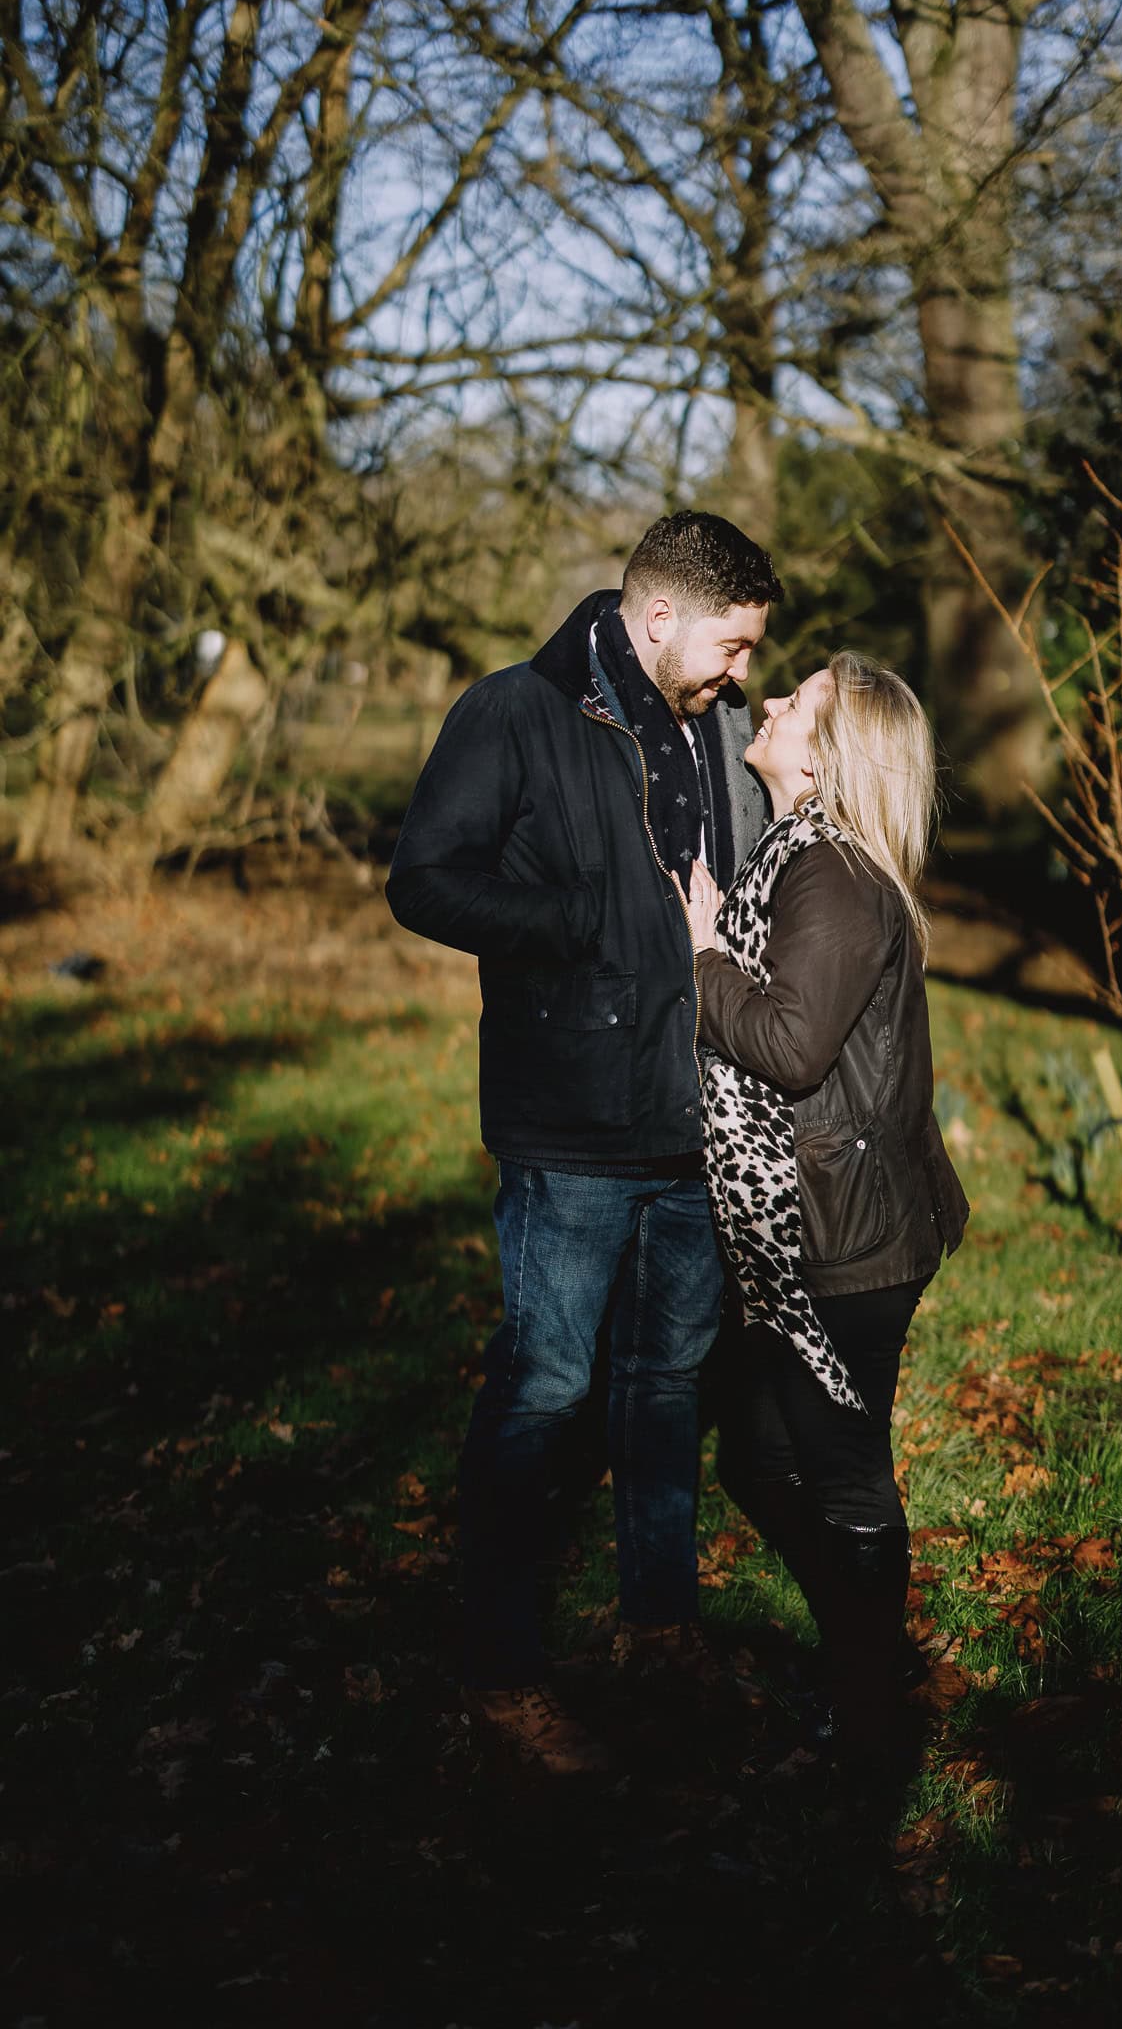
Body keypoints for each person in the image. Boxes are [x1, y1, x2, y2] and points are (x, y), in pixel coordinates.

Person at [386, 512, 781, 1774]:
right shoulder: (514, 711)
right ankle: (500, 1674)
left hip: (694, 1124)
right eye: (729, 645)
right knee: (546, 1385)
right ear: (655, 617)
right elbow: (424, 878)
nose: (740, 672)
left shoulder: (721, 725)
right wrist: (577, 919)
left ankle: (658, 1628)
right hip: (568, 1126)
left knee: (666, 1382)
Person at [680, 649, 969, 1775]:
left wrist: (700, 954)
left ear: (828, 753)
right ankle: (870, 1656)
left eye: (797, 700)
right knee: (758, 1461)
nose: (771, 700)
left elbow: (792, 1046)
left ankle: (870, 1721)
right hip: (808, 1226)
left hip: (845, 1239)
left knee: (841, 1472)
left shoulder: (832, 874)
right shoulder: (803, 858)